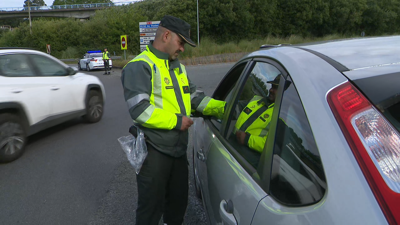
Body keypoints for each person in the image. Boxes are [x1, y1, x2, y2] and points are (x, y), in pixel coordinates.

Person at [121, 15, 225, 225]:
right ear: (166, 35)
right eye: (181, 42)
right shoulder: (140, 66)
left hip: (178, 152)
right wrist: (177, 121)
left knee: (177, 206)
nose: (183, 49)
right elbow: (139, 110)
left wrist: (226, 108)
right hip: (154, 153)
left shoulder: (178, 67)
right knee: (150, 211)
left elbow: (194, 99)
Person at [234, 75, 281, 153]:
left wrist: (247, 139)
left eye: (276, 88)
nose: (271, 90)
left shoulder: (282, 116)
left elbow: (276, 148)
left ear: (284, 93)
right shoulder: (256, 101)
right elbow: (228, 108)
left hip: (250, 160)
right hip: (234, 148)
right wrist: (205, 102)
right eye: (272, 87)